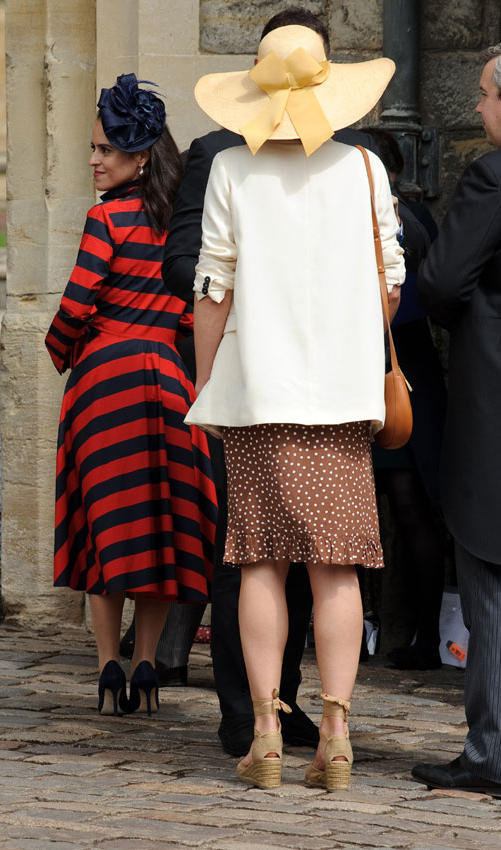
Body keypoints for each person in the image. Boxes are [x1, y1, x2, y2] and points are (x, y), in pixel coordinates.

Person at [185, 24, 404, 790]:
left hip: (257, 396)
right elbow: (391, 285)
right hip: (342, 399)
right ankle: (338, 732)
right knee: (336, 569)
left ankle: (269, 731)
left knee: (259, 563)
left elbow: (212, 289)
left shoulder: (230, 171)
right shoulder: (367, 170)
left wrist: (209, 379)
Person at [45, 73, 217, 719]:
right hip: (168, 387)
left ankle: (106, 666)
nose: (93, 161)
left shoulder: (105, 218)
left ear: (139, 154)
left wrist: (65, 351)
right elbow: (184, 312)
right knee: (158, 529)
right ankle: (147, 661)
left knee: (102, 528)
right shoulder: (175, 218)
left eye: (103, 151)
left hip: (105, 386)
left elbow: (74, 306)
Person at [411, 44, 501, 797]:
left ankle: (491, 753)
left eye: (483, 94)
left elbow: (439, 279)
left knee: (489, 572)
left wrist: (475, 313)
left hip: (494, 398)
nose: (475, 107)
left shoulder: (494, 174)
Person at [365, 128, 447, 671]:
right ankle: (394, 630)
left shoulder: (407, 223)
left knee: (409, 507)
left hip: (398, 374)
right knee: (391, 509)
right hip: (396, 373)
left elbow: (417, 300)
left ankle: (424, 635)